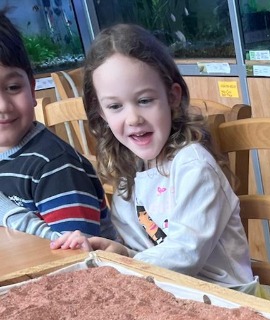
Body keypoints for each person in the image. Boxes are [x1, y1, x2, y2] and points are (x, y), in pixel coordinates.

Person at [51, 24, 257, 294]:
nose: (133, 118)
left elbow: (185, 254)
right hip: (166, 291)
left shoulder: (194, 165)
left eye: (145, 100)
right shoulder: (129, 170)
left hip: (226, 298)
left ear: (172, 97)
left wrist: (120, 265)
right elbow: (144, 250)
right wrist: (119, 252)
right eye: (115, 106)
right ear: (101, 112)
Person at [0, 13, 115, 242]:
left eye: (13, 87)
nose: (3, 106)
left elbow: (78, 253)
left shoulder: (55, 165)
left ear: (32, 88)